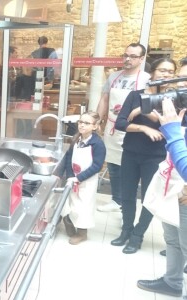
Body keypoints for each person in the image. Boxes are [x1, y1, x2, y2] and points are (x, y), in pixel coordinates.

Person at [111, 57, 176, 254]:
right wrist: (142, 128)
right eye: (162, 70)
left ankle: (138, 235)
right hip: (130, 152)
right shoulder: (135, 95)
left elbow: (172, 127)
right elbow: (120, 123)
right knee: (127, 195)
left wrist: (143, 110)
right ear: (152, 73)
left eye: (170, 71)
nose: (166, 74)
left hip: (155, 156)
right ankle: (126, 230)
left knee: (148, 198)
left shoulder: (175, 98)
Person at [137, 59, 187, 297]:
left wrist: (173, 132)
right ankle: (173, 281)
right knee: (173, 238)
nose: (180, 87)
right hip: (176, 184)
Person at [96, 43, 151, 212]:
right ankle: (116, 199)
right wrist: (97, 120)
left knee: (130, 168)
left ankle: (129, 204)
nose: (127, 59)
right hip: (113, 126)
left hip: (133, 129)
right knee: (112, 165)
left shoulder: (146, 79)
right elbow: (105, 99)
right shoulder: (114, 77)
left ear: (141, 59)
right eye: (125, 55)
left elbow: (150, 104)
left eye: (133, 56)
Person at [62, 111, 106, 245]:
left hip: (87, 180)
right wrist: (70, 175)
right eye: (80, 122)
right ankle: (69, 222)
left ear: (95, 126)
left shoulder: (97, 144)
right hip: (73, 178)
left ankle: (82, 233)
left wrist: (80, 178)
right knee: (71, 203)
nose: (81, 125)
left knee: (84, 206)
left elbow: (97, 166)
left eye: (86, 123)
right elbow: (69, 157)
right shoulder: (76, 138)